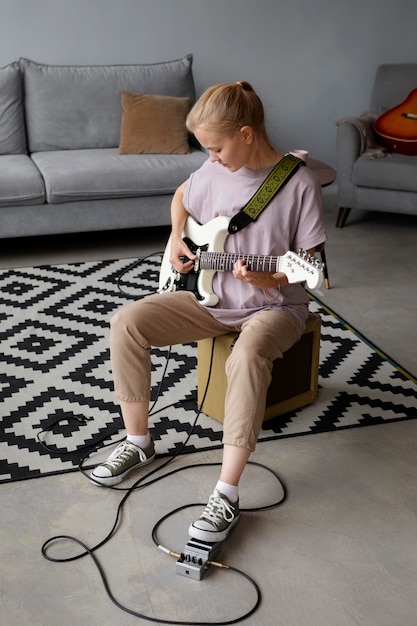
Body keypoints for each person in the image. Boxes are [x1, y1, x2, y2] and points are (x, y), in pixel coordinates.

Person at [90, 81, 327, 543]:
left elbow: (312, 265)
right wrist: (179, 235)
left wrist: (273, 279)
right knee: (127, 322)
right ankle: (138, 443)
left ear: (246, 133)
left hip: (273, 306)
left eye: (216, 149)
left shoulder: (298, 183)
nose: (211, 159)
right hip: (212, 300)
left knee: (247, 355)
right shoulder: (212, 169)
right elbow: (182, 195)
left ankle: (226, 493)